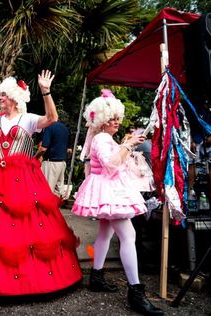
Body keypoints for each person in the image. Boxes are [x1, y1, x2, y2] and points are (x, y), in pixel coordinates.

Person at [0, 70, 82, 296]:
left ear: (14, 97)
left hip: (23, 180)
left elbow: (52, 119)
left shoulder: (27, 119)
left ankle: (34, 280)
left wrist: (45, 92)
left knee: (28, 223)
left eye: (2, 95)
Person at [72, 90, 163, 316]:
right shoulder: (102, 138)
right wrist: (128, 144)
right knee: (128, 236)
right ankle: (135, 292)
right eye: (112, 119)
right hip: (109, 191)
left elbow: (115, 162)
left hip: (107, 190)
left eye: (117, 118)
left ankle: (97, 277)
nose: (117, 122)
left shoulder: (103, 138)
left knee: (105, 233)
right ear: (102, 120)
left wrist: (128, 145)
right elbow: (111, 165)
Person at [35, 120, 71, 198]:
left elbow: (43, 148)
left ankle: (46, 210)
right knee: (58, 192)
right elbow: (69, 150)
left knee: (46, 191)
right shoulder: (65, 128)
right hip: (62, 163)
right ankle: (55, 209)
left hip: (51, 163)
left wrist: (35, 157)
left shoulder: (49, 127)